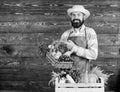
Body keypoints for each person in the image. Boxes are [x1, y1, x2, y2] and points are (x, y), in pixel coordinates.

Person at [60, 5, 98, 82]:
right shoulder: (65, 34)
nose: (76, 17)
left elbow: (94, 54)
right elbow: (60, 57)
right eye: (73, 15)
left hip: (86, 77)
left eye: (79, 14)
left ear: (84, 17)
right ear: (71, 17)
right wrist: (55, 54)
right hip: (68, 78)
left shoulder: (90, 32)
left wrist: (74, 48)